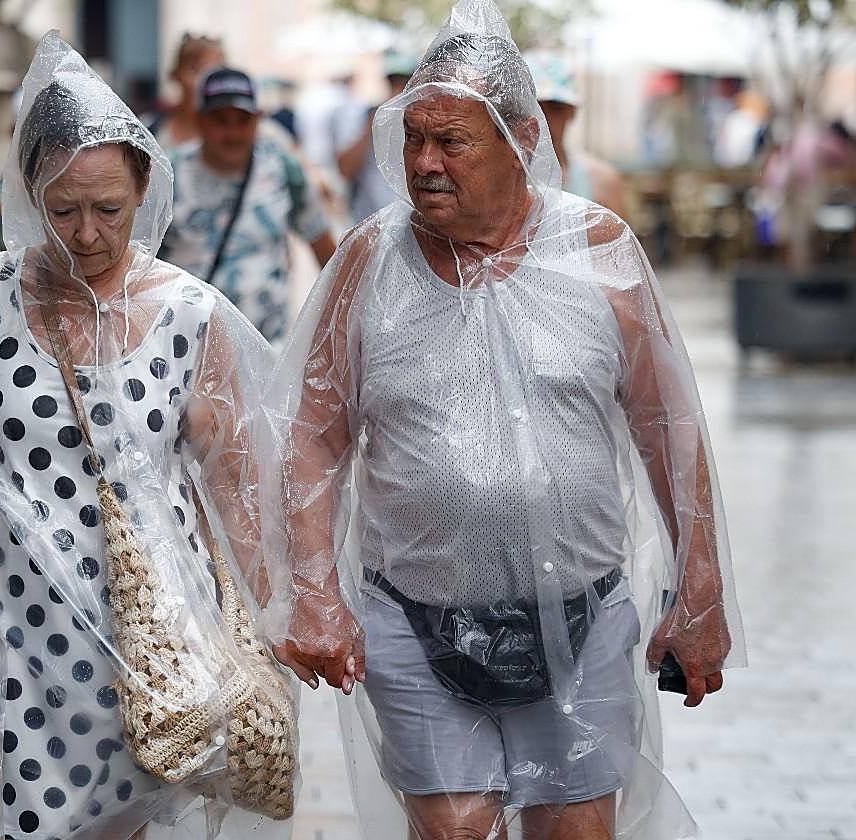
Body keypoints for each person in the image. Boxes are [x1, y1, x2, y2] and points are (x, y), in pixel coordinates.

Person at [260, 4, 744, 839]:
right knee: (453, 829)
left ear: (522, 140)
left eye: (451, 142)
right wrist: (312, 593)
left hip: (583, 615)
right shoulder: (371, 259)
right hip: (413, 614)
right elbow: (310, 431)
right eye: (414, 138)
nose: (423, 163)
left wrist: (699, 585)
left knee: (576, 830)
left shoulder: (597, 247)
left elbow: (670, 424)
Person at [0, 33, 288, 840]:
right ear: (31, 193)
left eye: (109, 209)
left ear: (144, 190)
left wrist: (281, 616)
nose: (87, 234)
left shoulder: (190, 314)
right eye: (64, 209)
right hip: (7, 625)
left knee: (121, 824)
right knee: (22, 820)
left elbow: (234, 476)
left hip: (146, 631)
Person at [160, 67, 336, 343]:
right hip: (182, 347)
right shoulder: (167, 173)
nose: (233, 133)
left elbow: (325, 247)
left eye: (243, 121)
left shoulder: (282, 167)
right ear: (199, 120)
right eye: (220, 121)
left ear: (258, 120)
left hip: (266, 349)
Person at [526, 50, 627, 219]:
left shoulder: (601, 183)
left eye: (555, 107)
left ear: (572, 111)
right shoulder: (498, 182)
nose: (544, 118)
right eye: (535, 106)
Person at [336, 50, 417, 225]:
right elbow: (345, 169)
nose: (399, 89)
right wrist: (373, 125)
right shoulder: (365, 117)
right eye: (394, 82)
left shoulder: (423, 123)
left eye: (404, 82)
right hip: (370, 223)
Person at [148, 33, 225, 150]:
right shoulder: (150, 128)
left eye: (215, 73)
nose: (204, 82)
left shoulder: (235, 136)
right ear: (177, 74)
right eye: (196, 70)